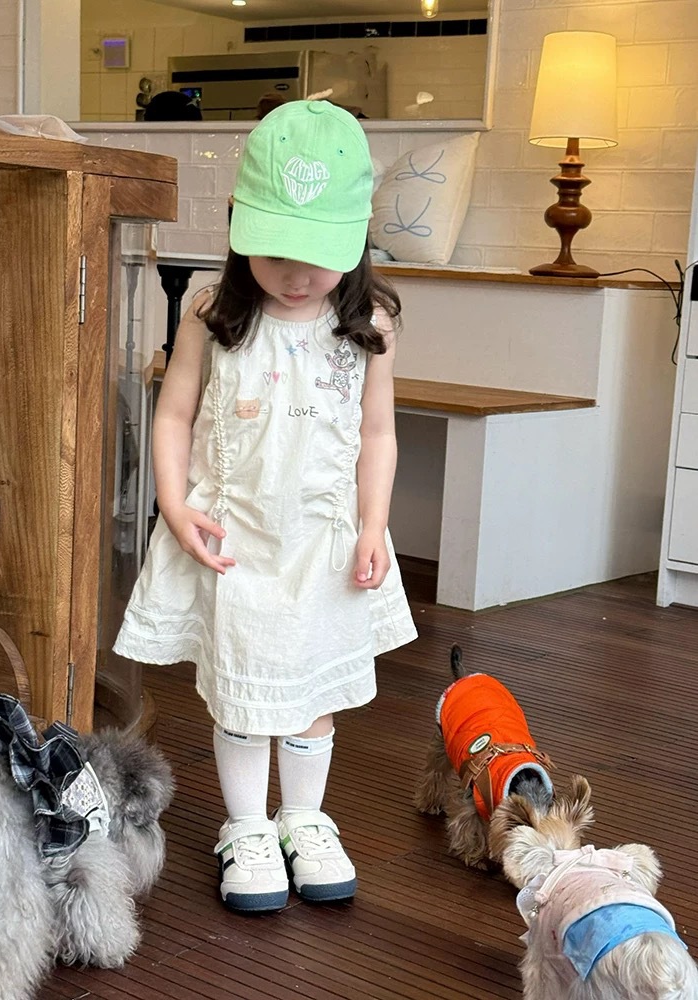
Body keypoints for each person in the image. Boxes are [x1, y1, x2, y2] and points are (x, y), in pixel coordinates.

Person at [114, 99, 417, 914]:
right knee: (244, 692)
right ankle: (247, 826)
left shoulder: (369, 325)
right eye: (275, 250)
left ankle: (304, 818)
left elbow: (378, 433)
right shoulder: (213, 313)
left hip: (323, 539)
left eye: (317, 256)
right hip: (235, 537)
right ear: (238, 223)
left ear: (355, 239)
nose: (294, 274)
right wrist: (173, 505)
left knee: (313, 694)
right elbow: (174, 414)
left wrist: (374, 523)